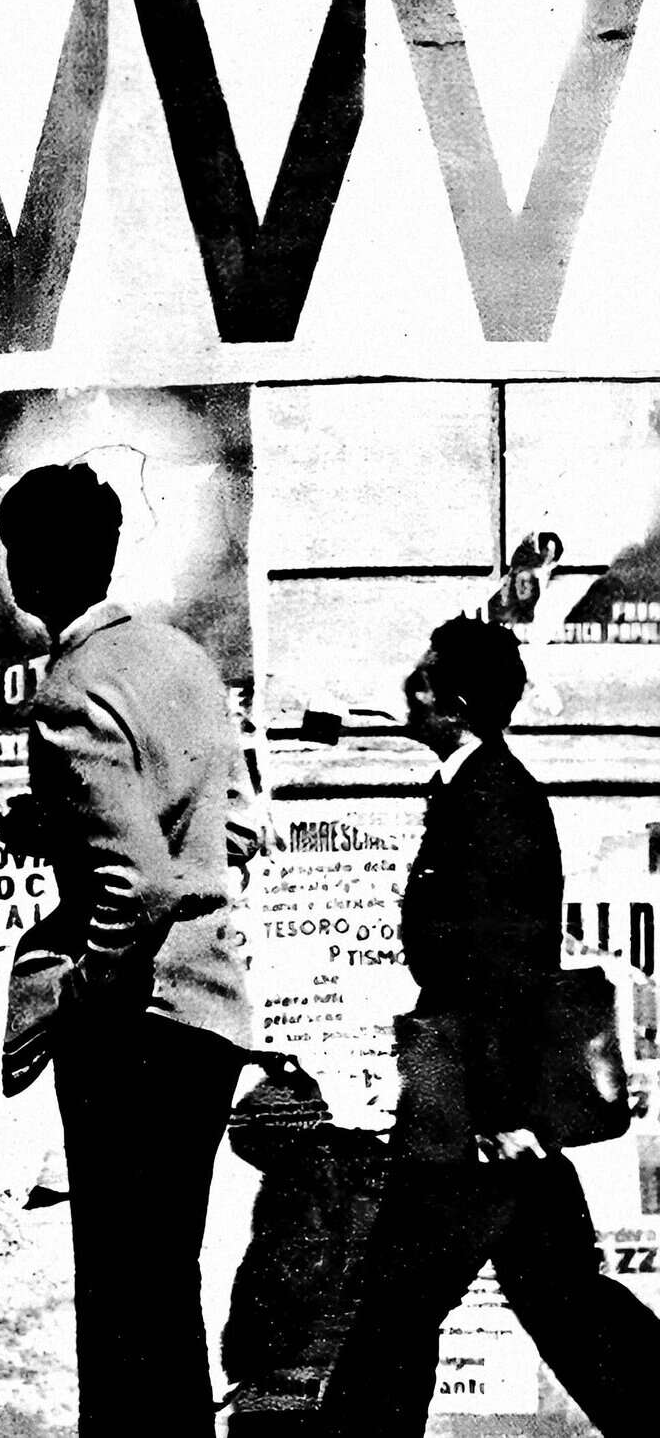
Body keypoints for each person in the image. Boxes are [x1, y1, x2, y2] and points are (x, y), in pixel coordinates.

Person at [321, 615, 660, 1438]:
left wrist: (503, 1111)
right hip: (471, 1096)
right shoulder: (471, 791)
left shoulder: (495, 799)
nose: (412, 688)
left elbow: (508, 968)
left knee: (399, 1307)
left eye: (428, 678)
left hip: (477, 1104)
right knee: (560, 1296)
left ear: (461, 704)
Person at [0, 462, 259, 1438]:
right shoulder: (180, 659)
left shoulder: (71, 686)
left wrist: (94, 983)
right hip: (210, 1014)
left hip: (134, 1025)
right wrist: (65, 823)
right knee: (162, 1290)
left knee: (119, 1301)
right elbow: (232, 832)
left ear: (32, 562)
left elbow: (136, 883)